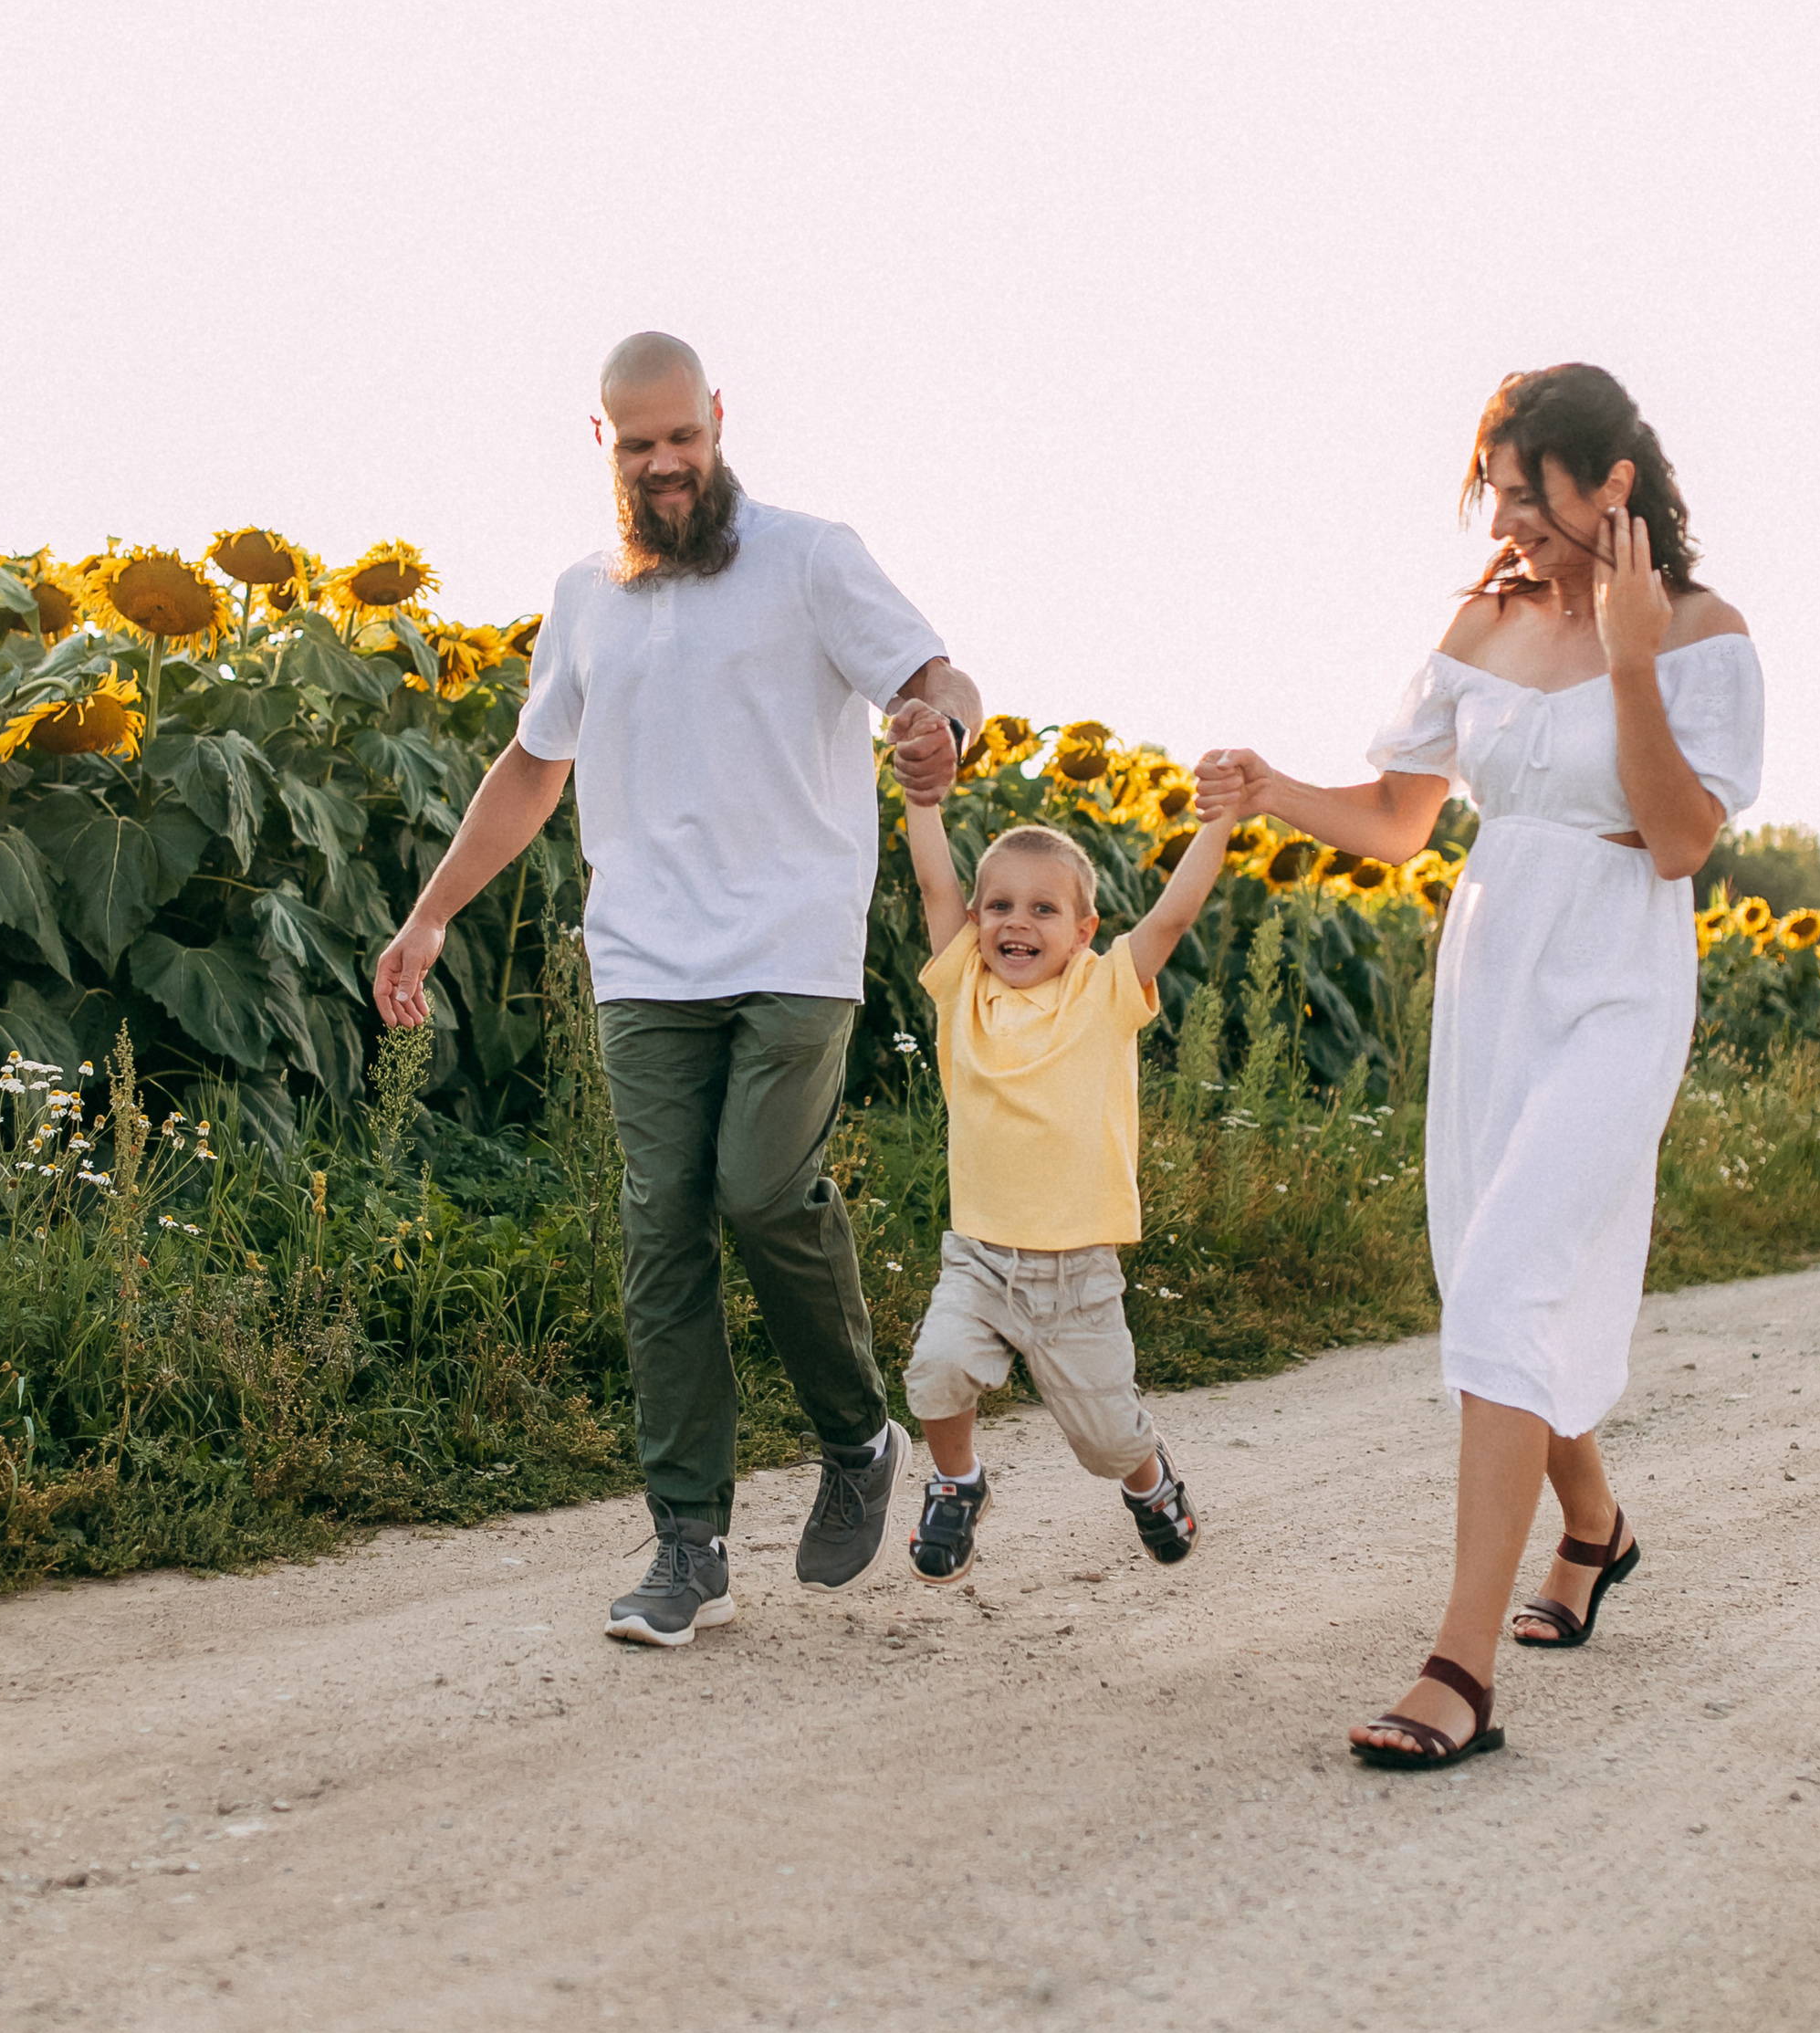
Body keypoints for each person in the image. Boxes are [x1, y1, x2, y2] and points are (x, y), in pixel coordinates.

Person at [371, 332, 981, 1648]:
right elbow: (532, 769)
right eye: (637, 444)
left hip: (792, 948)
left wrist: (946, 728)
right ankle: (686, 1545)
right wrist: (428, 919)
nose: (664, 464)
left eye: (682, 438)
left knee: (762, 1189)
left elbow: (935, 680)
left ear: (719, 419)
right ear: (605, 443)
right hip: (645, 960)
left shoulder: (812, 557)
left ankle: (857, 1434)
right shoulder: (585, 596)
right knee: (661, 1228)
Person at [1195, 363, 1762, 1770]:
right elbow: (1399, 821)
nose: (1507, 521)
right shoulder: (1486, 619)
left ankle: (1459, 1667)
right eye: (1494, 492)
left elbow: (1683, 840)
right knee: (1489, 1278)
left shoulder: (1701, 634)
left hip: (1620, 976)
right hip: (1496, 964)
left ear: (1611, 483)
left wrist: (1629, 654)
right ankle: (1595, 1528)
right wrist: (1274, 790)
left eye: (1529, 492)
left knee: (1510, 1277)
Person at [896, 803, 1234, 1586]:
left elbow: (1175, 916)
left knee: (1107, 1441)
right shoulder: (964, 990)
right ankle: (957, 1483)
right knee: (936, 1371)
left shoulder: (1105, 990)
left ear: (1083, 931)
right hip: (979, 1257)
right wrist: (923, 798)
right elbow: (930, 880)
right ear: (976, 920)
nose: (1019, 924)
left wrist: (1222, 819)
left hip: (1078, 1275)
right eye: (1001, 907)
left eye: (1044, 909)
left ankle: (1149, 1482)